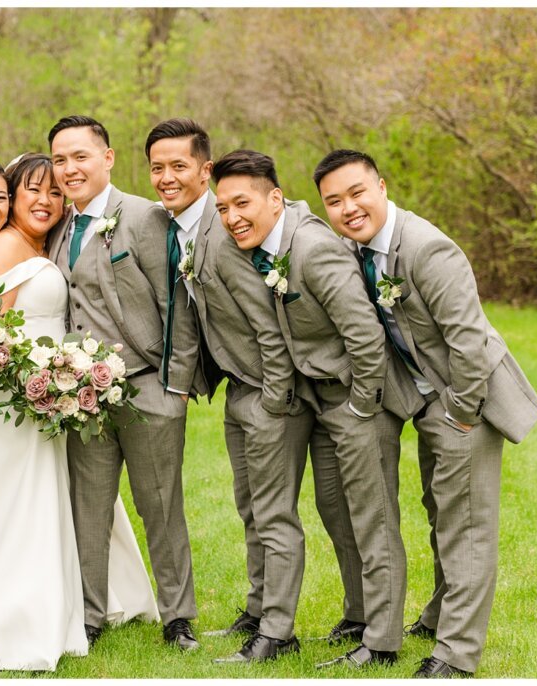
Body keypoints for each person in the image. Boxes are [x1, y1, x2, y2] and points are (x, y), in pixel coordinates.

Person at [314, 149, 537, 678]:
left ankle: (456, 655)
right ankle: (441, 613)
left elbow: (467, 340)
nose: (348, 208)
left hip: (468, 398)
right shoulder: (358, 249)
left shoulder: (426, 249)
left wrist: (461, 412)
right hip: (424, 399)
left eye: (357, 193)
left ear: (382, 186)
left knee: (466, 526)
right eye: (334, 201)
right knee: (442, 512)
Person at [0, 153, 159, 671]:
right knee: (16, 502)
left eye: (55, 192)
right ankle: (9, 613)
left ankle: (80, 598)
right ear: (13, 195)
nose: (45, 201)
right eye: (32, 191)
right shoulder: (1, 249)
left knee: (60, 496)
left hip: (53, 396)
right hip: (11, 403)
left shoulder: (51, 243)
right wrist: (36, 382)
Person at [212, 149, 411, 669]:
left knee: (373, 519)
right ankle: (360, 613)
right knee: (336, 510)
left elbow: (365, 338)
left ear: (275, 199)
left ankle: (383, 642)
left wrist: (363, 409)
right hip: (319, 399)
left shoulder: (313, 248)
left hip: (353, 399)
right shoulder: (272, 242)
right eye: (223, 208)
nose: (233, 217)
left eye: (242, 203)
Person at [144, 121, 314, 664]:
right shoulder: (189, 229)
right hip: (238, 391)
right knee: (251, 508)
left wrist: (273, 397)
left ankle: (278, 633)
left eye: (178, 166)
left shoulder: (224, 233)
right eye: (157, 167)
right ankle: (259, 608)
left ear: (204, 169)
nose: (166, 178)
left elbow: (269, 325)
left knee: (274, 514)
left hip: (266, 394)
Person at [47, 115, 201, 650]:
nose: (70, 169)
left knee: (160, 504)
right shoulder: (58, 228)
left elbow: (176, 304)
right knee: (87, 507)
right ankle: (90, 614)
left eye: (80, 157)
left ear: (107, 158)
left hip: (146, 387)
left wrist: (176, 387)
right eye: (60, 160)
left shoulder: (144, 217)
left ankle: (178, 615)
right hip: (81, 398)